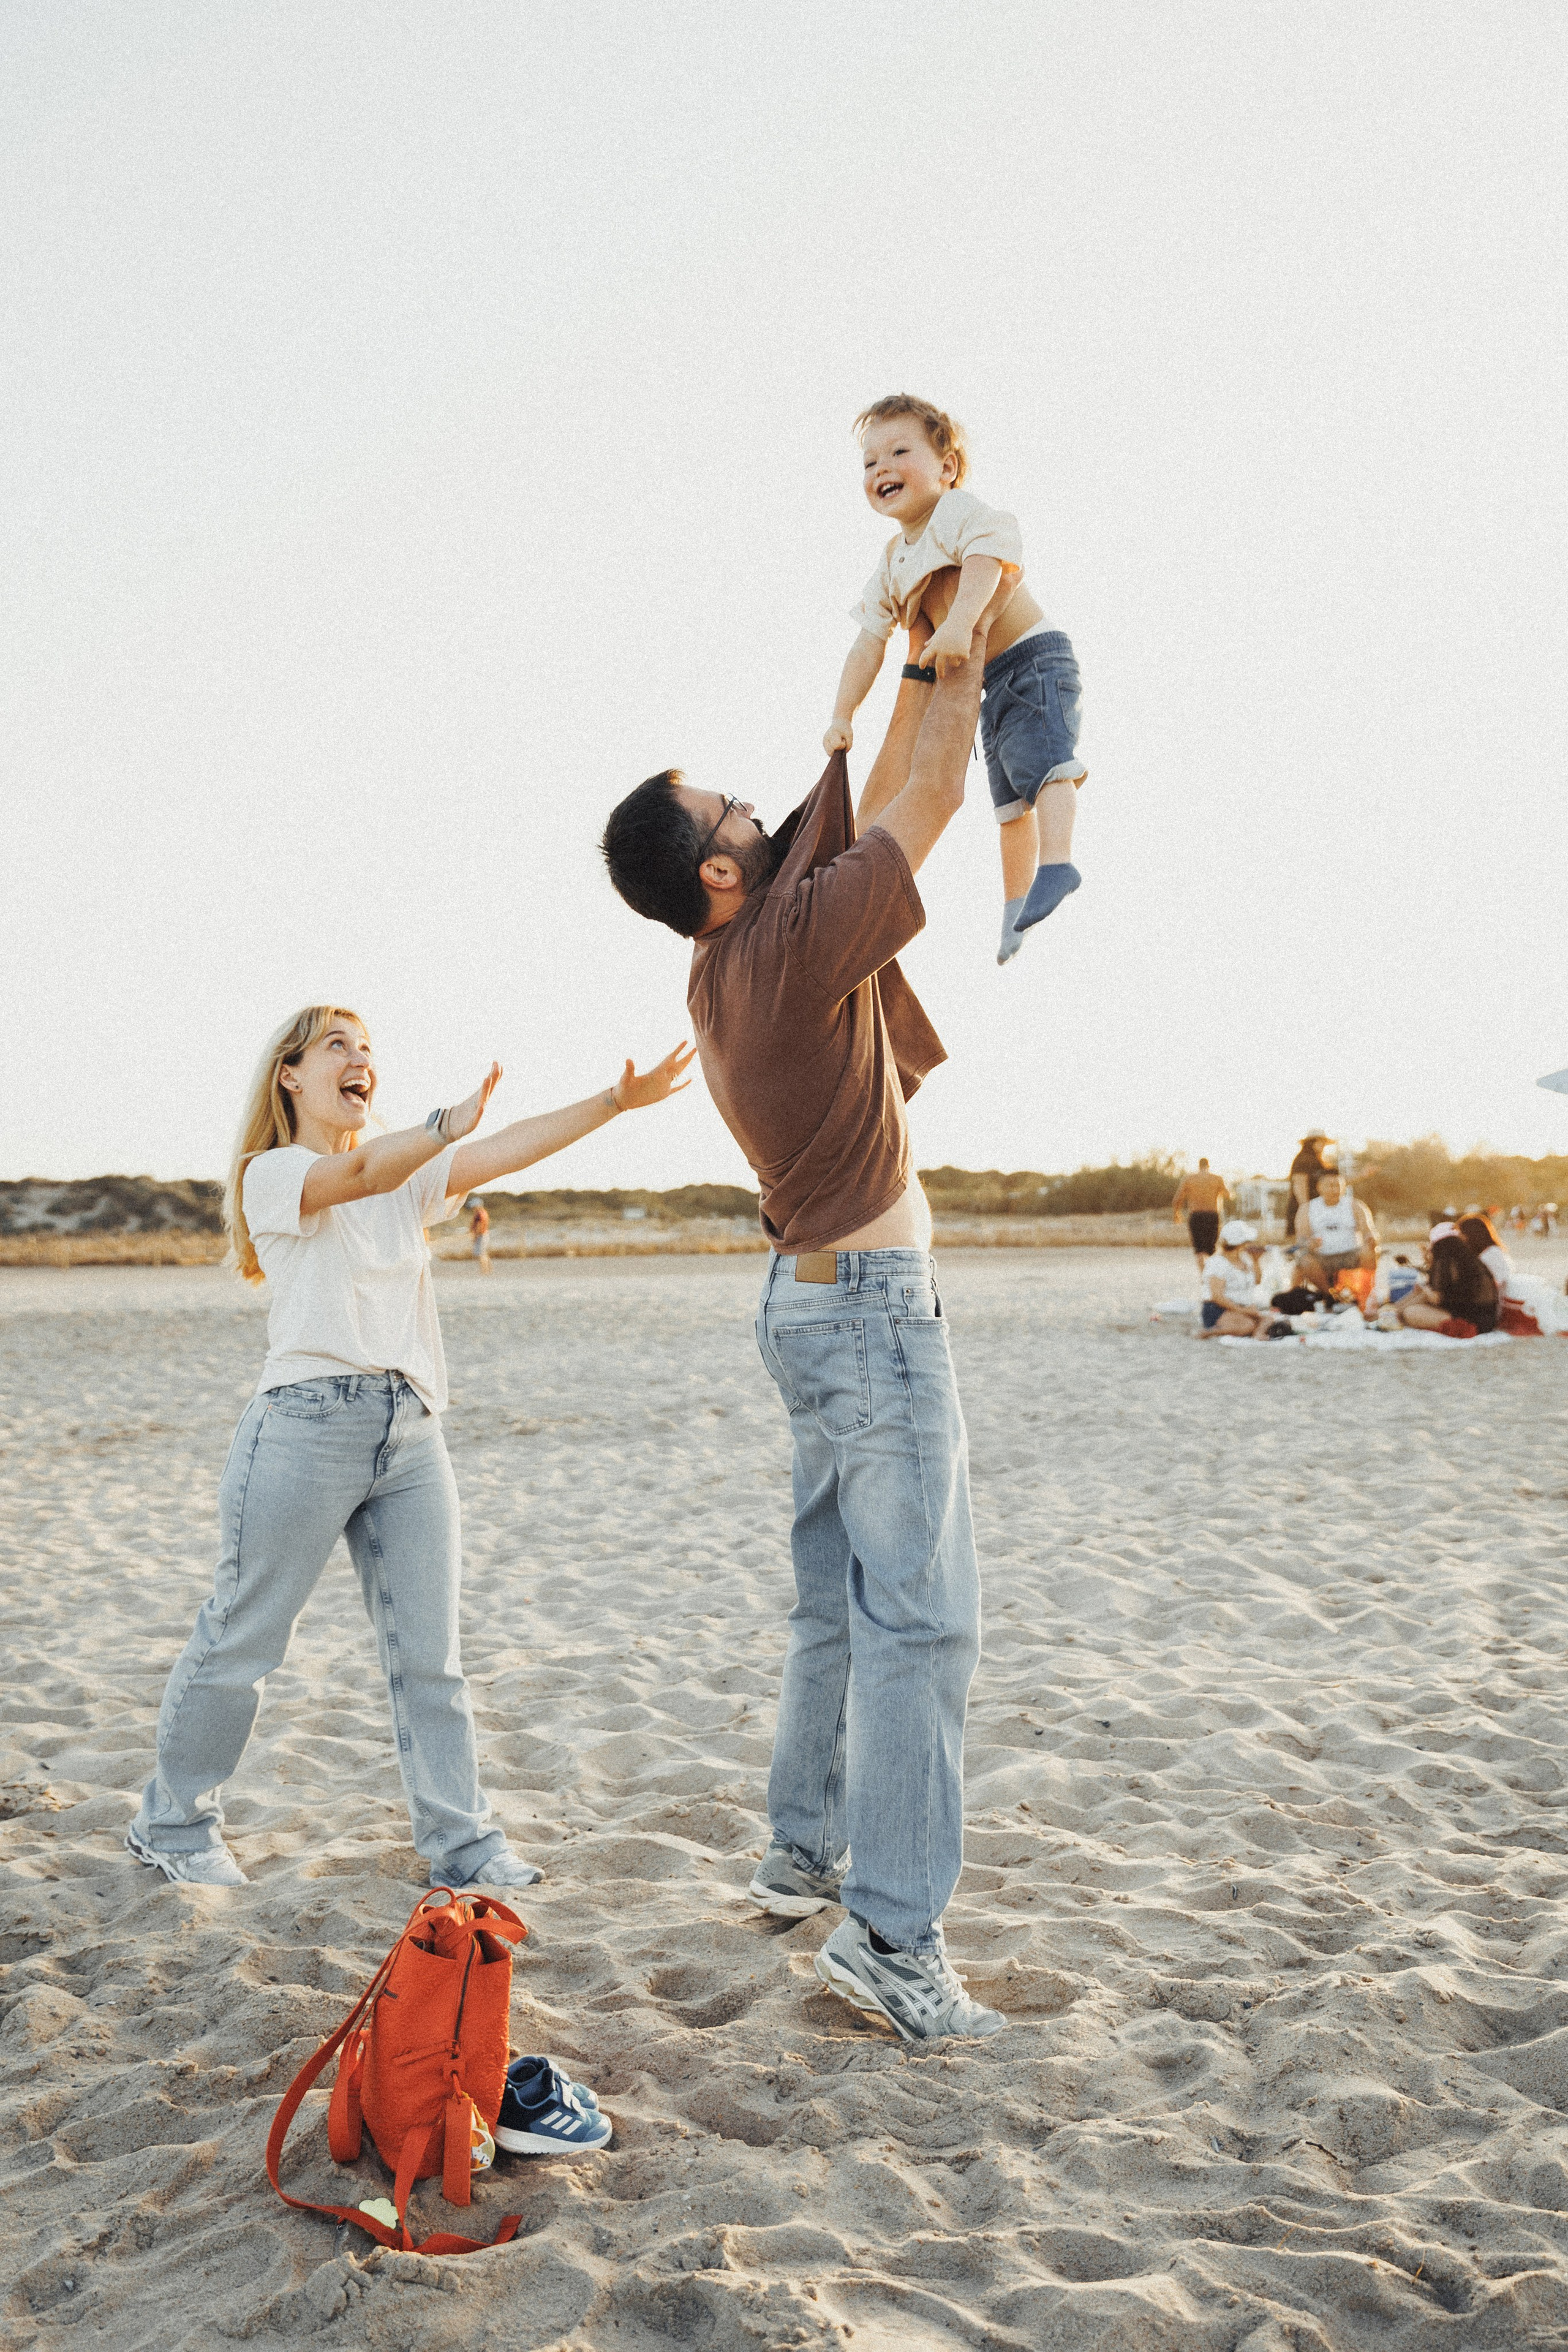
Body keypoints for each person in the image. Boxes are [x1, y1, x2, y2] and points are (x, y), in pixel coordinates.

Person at [602, 587, 1011, 2045]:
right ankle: (891, 1941)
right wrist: (964, 641)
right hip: (869, 1316)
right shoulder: (782, 948)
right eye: (731, 807)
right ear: (719, 869)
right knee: (922, 1624)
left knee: (835, 1603)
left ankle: (801, 1852)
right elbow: (928, 793)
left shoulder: (732, 946)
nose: (756, 803)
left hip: (806, 1304)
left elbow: (867, 785)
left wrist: (903, 640)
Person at [127, 1004, 693, 1890]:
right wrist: (440, 1125)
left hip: (411, 1431)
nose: (360, 1058)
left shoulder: (409, 1177)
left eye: (367, 1047)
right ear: (290, 1076)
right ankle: (172, 1823)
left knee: (431, 1659)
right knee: (244, 1639)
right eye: (336, 1046)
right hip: (305, 1424)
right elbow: (358, 1170)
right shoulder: (273, 1173)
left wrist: (615, 1101)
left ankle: (464, 1845)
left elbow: (504, 1152)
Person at [822, 394, 1086, 965]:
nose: (882, 468)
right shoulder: (893, 560)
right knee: (1009, 804)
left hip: (1033, 659)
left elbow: (991, 556)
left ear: (946, 467)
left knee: (1045, 764)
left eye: (899, 452)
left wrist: (961, 623)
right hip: (989, 682)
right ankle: (1015, 907)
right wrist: (843, 713)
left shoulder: (955, 512)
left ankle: (1059, 862)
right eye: (870, 462)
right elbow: (868, 643)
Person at [1391, 1232, 1499, 1336]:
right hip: (1465, 1315)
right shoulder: (1467, 1264)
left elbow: (1437, 1298)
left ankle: (1391, 1315)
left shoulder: (1454, 1266)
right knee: (1420, 1295)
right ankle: (1390, 1313)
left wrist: (1425, 1289)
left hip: (1472, 1322)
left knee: (1411, 1312)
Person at [1197, 1221, 1285, 1339]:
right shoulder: (1218, 1263)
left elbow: (1257, 1281)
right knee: (1247, 1326)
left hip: (1242, 1307)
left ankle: (1257, 1333)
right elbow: (1217, 1297)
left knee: (1269, 1319)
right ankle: (1210, 1332)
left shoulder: (1244, 1259)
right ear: (1240, 1244)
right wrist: (1244, 1311)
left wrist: (1256, 1261)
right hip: (1219, 1309)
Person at [1297, 1170, 1378, 1296]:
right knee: (1304, 1260)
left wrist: (1371, 1239)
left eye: (1338, 1186)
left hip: (1351, 1254)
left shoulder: (1356, 1206)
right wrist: (1309, 1243)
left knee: (1369, 1251)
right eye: (1330, 1186)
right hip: (1322, 1257)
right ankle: (1330, 1296)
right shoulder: (1307, 1209)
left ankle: (1365, 1295)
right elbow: (1301, 1240)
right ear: (1319, 1187)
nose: (1335, 1190)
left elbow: (1369, 1231)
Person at [1171, 1159, 1231, 1264]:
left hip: (1196, 1215)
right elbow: (1228, 1195)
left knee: (1200, 1250)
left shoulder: (1189, 1179)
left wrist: (1177, 1214)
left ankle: (1203, 1273)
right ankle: (1210, 1272)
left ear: (1199, 1166)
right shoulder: (1217, 1179)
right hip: (1212, 1215)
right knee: (1211, 1249)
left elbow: (1177, 1199)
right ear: (1208, 1166)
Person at [1286, 1131, 1330, 1240]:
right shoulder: (1303, 1159)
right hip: (1304, 1208)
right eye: (1321, 1142)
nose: (1324, 1145)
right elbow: (1299, 1185)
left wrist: (1362, 1174)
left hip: (1317, 1207)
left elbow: (1334, 1183)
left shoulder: (1319, 1162)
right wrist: (1305, 1211)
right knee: (1303, 1242)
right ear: (1311, 1143)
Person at [469, 1196, 492, 1273]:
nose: (472, 1208)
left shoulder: (480, 1214)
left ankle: (484, 1271)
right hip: (484, 1234)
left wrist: (475, 1236)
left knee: (481, 1253)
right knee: (483, 1253)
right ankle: (488, 1269)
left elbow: (479, 1225)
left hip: (481, 1235)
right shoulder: (483, 1212)